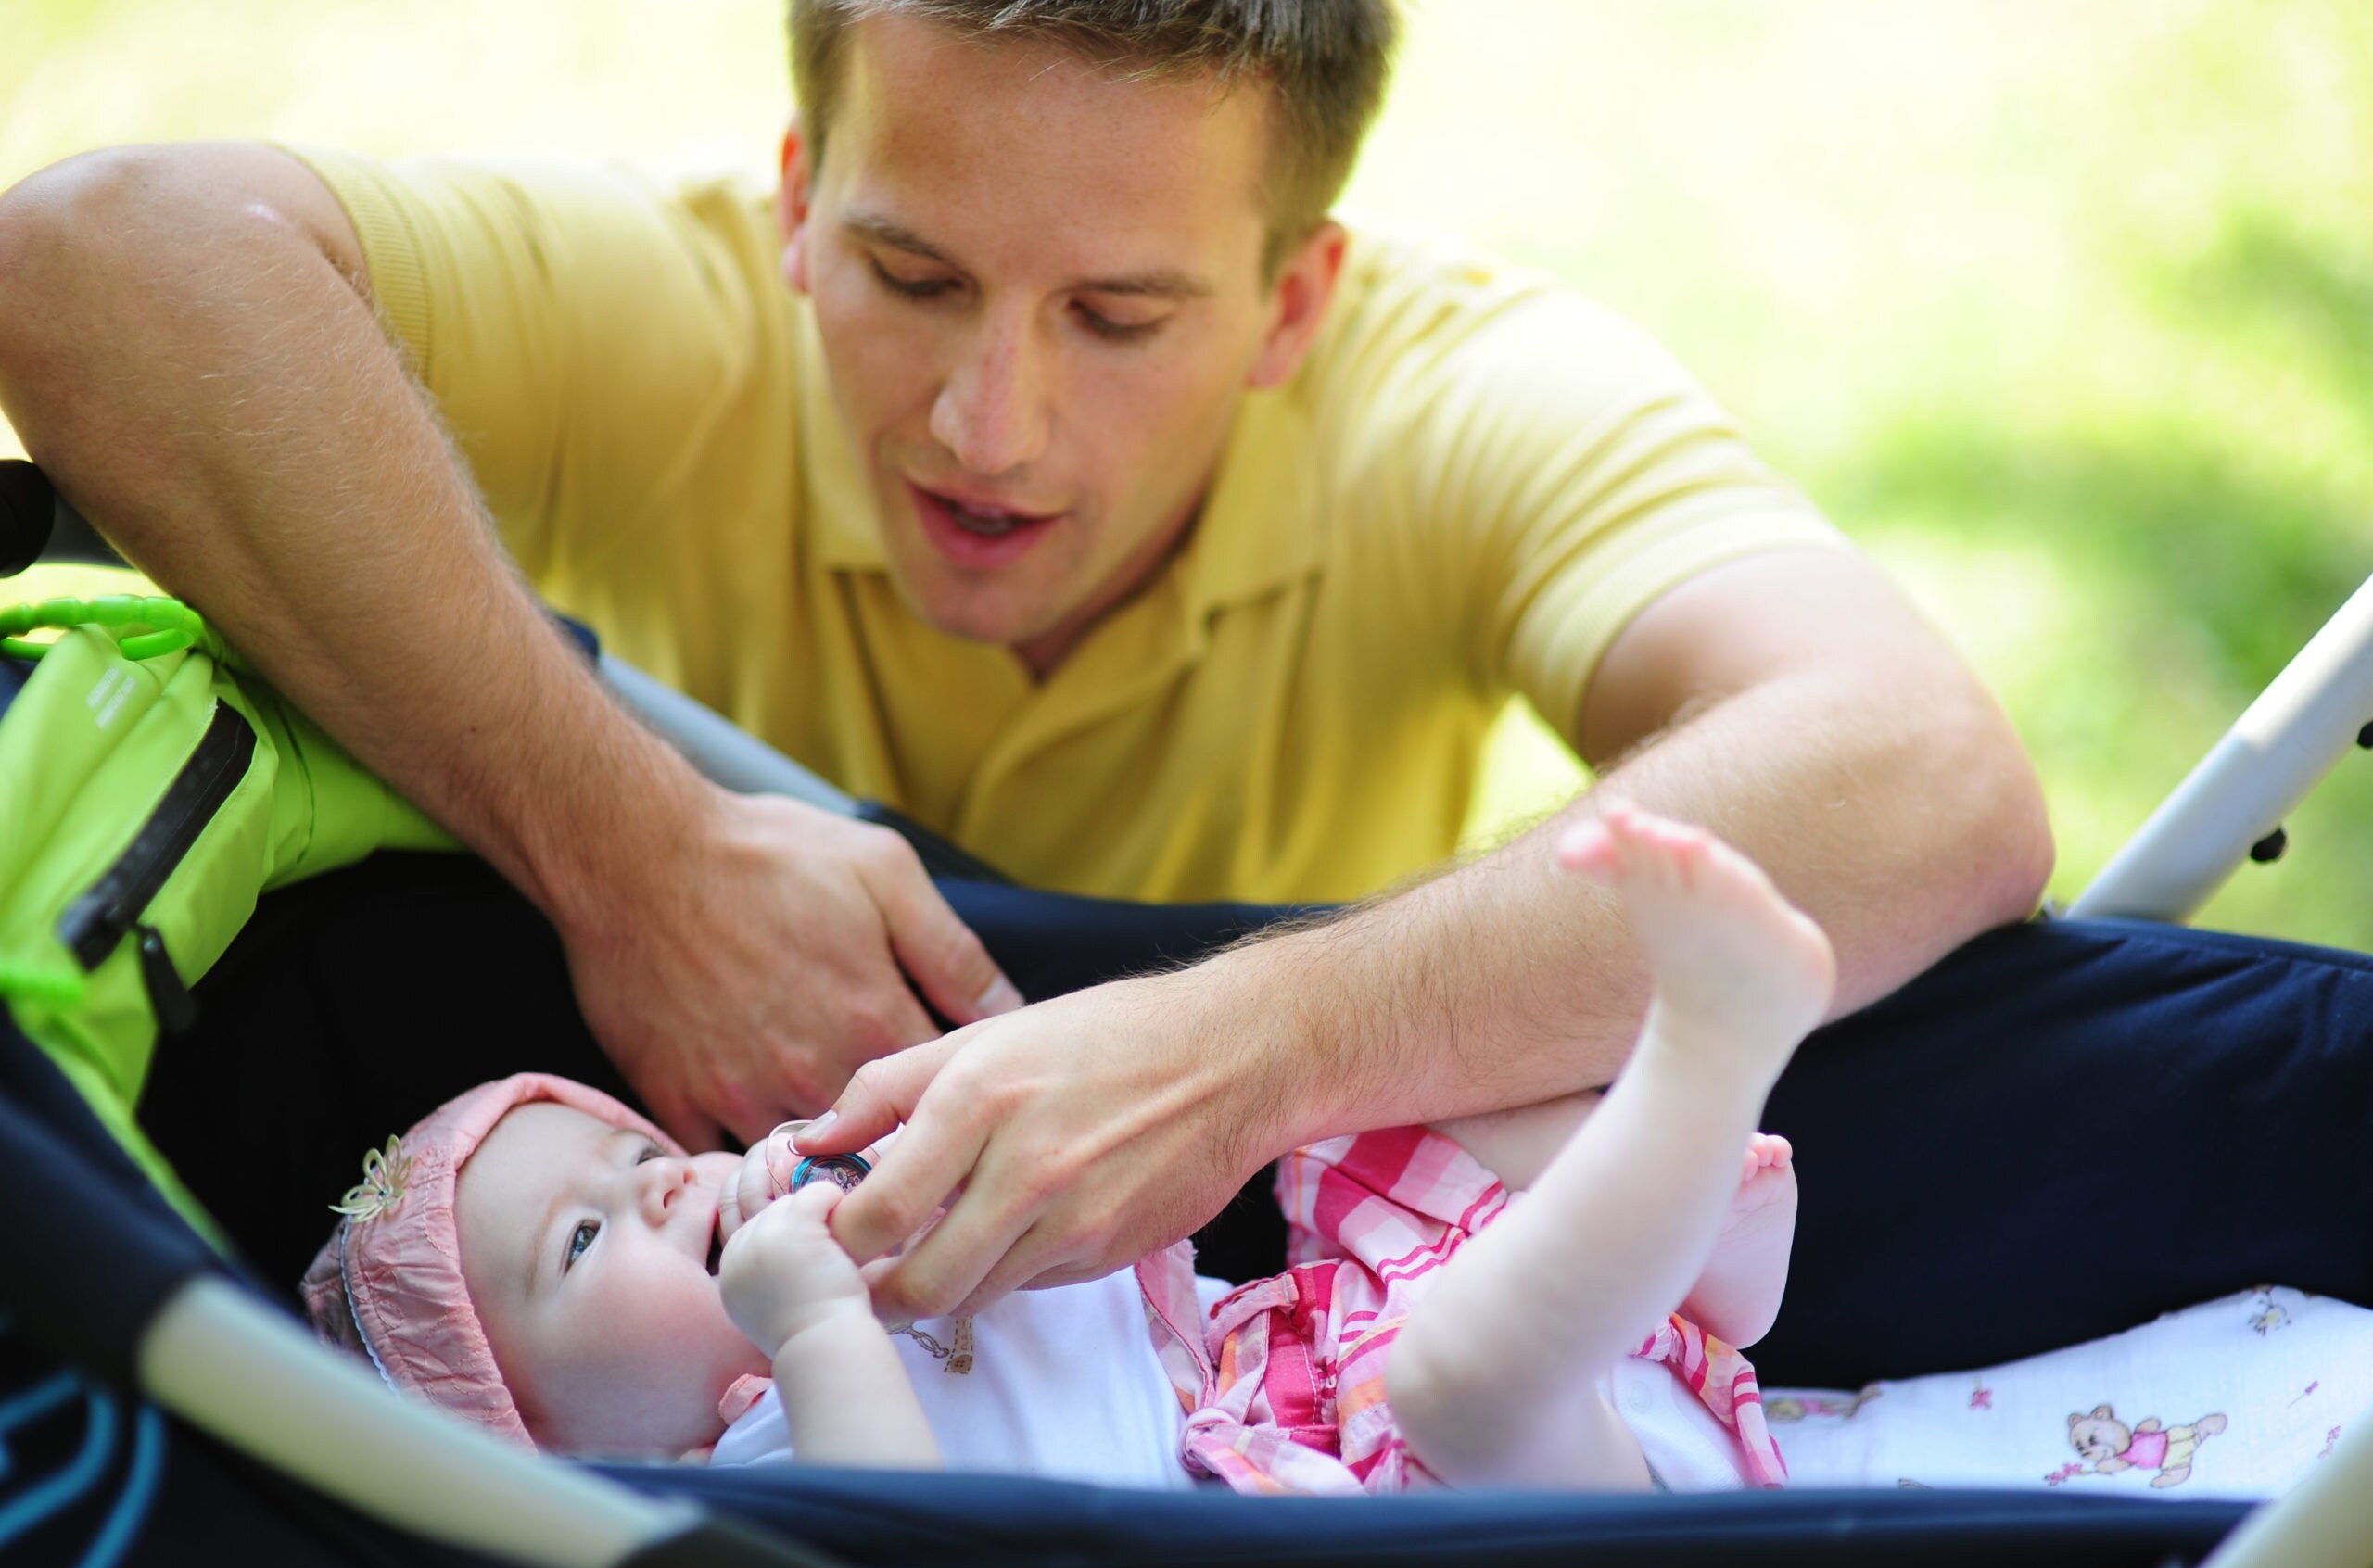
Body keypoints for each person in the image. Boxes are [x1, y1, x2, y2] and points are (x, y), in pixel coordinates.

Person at [0, 1, 2051, 1327]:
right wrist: (635, 855)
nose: (988, 423)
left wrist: (1230, 1051)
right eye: (911, 276)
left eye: (1120, 317)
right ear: (800, 205)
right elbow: (92, 263)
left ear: (1287, 301)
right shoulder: (682, 301)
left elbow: (1919, 770)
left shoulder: (1458, 392)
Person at [307, 804, 1832, 1491]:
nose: (658, 1185)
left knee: (1350, 1157)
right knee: (1466, 1381)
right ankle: (1700, 1068)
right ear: (572, 1453)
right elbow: (908, 1544)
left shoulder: (855, 1254)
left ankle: (1683, 1247)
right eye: (581, 1244)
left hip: (1328, 1394)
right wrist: (825, 1328)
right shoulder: (762, 1485)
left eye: (632, 1157)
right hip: (1467, 1507)